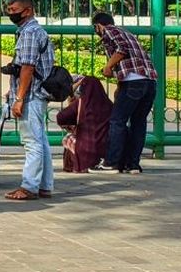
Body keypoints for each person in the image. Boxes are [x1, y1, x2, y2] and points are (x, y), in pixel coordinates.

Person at [2, 0, 56, 201]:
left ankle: (29, 186)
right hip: (33, 92)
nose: (11, 14)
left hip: (32, 94)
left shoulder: (30, 32)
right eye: (9, 11)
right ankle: (44, 185)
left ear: (28, 10)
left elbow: (28, 67)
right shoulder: (28, 30)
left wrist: (19, 98)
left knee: (31, 142)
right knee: (40, 140)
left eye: (14, 11)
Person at [91, 12, 158, 174]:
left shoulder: (109, 30)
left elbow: (122, 49)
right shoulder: (128, 33)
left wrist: (107, 66)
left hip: (133, 83)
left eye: (95, 28)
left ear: (98, 25)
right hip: (149, 82)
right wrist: (120, 87)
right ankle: (133, 164)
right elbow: (130, 63)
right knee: (138, 123)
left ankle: (111, 162)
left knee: (117, 121)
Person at [56, 75, 112, 173]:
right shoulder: (109, 104)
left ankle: (72, 166)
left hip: (84, 151)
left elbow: (60, 118)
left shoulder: (81, 103)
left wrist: (71, 96)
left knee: (69, 138)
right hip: (106, 149)